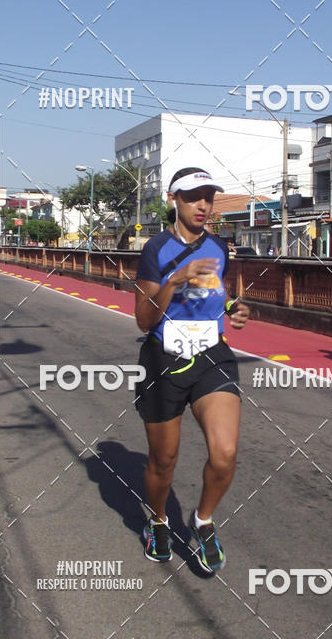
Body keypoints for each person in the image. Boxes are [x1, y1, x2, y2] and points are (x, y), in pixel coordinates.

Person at [134, 167, 250, 573]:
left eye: (208, 197)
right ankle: (159, 520)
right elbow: (144, 320)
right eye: (193, 197)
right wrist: (176, 277)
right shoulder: (155, 249)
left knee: (226, 452)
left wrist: (235, 309)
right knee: (163, 461)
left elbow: (221, 292)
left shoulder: (219, 247)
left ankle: (202, 521)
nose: (203, 205)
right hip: (163, 360)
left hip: (210, 356)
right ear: (174, 200)